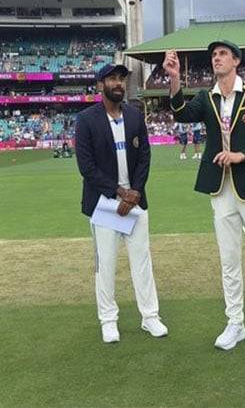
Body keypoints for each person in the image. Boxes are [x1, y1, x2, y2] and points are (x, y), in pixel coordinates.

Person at [162, 40, 245, 350]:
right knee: (228, 259)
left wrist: (241, 156)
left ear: (236, 61)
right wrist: (175, 77)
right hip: (220, 189)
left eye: (222, 54)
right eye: (213, 56)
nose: (216, 59)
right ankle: (235, 322)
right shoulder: (207, 97)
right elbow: (180, 112)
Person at [75, 63, 168, 344]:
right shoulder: (86, 119)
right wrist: (119, 193)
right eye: (112, 79)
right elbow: (87, 167)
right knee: (106, 264)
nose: (118, 83)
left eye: (121, 79)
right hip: (105, 203)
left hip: (135, 200)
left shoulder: (134, 115)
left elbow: (145, 157)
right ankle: (108, 320)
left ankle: (150, 316)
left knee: (142, 261)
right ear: (100, 85)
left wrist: (135, 191)